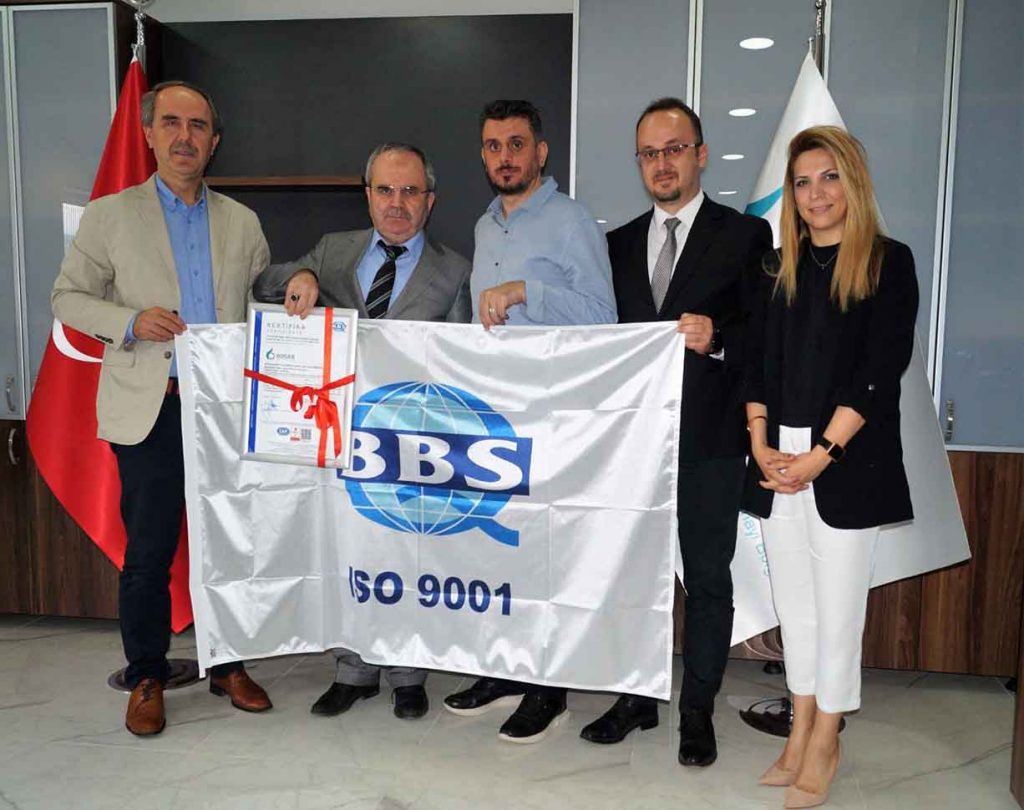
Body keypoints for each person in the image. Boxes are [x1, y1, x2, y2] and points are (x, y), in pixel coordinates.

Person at [51, 81, 273, 736]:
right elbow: (67, 298)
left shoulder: (242, 222)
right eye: (171, 123)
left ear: (214, 141)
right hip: (153, 407)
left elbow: (259, 304)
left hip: (223, 411)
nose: (184, 136)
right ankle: (147, 674)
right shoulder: (109, 215)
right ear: (148, 134)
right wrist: (129, 321)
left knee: (228, 545)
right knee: (148, 551)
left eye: (198, 126)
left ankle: (227, 664)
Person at [252, 142, 472, 720]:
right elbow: (264, 283)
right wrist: (301, 275)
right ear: (368, 195)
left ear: (430, 201)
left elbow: (465, 367)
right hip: (338, 438)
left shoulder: (455, 271)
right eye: (385, 190)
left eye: (410, 191)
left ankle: (407, 671)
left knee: (408, 552)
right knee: (347, 551)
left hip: (411, 444)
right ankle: (352, 669)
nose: (397, 203)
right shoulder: (333, 251)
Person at [582, 98, 772, 766]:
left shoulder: (744, 236)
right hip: (633, 445)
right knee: (633, 577)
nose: (662, 163)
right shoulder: (614, 245)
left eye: (674, 149)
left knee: (708, 579)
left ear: (701, 154)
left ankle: (697, 709)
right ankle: (636, 697)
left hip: (711, 440)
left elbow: (765, 335)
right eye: (649, 153)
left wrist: (717, 336)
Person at [742, 126, 917, 808]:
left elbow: (878, 372)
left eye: (829, 177)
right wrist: (760, 441)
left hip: (843, 460)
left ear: (853, 182)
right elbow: (755, 363)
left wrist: (822, 456)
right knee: (796, 610)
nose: (816, 194)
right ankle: (798, 728)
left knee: (838, 612)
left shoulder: (887, 263)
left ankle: (825, 739)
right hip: (778, 458)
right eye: (803, 182)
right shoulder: (774, 268)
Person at [442, 99, 616, 743]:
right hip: (493, 415)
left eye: (517, 144)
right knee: (498, 550)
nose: (505, 157)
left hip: (551, 415)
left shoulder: (571, 220)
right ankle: (504, 670)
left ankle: (549, 687)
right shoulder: (485, 225)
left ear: (540, 152)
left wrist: (525, 293)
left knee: (544, 553)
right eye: (493, 146)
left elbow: (602, 315)